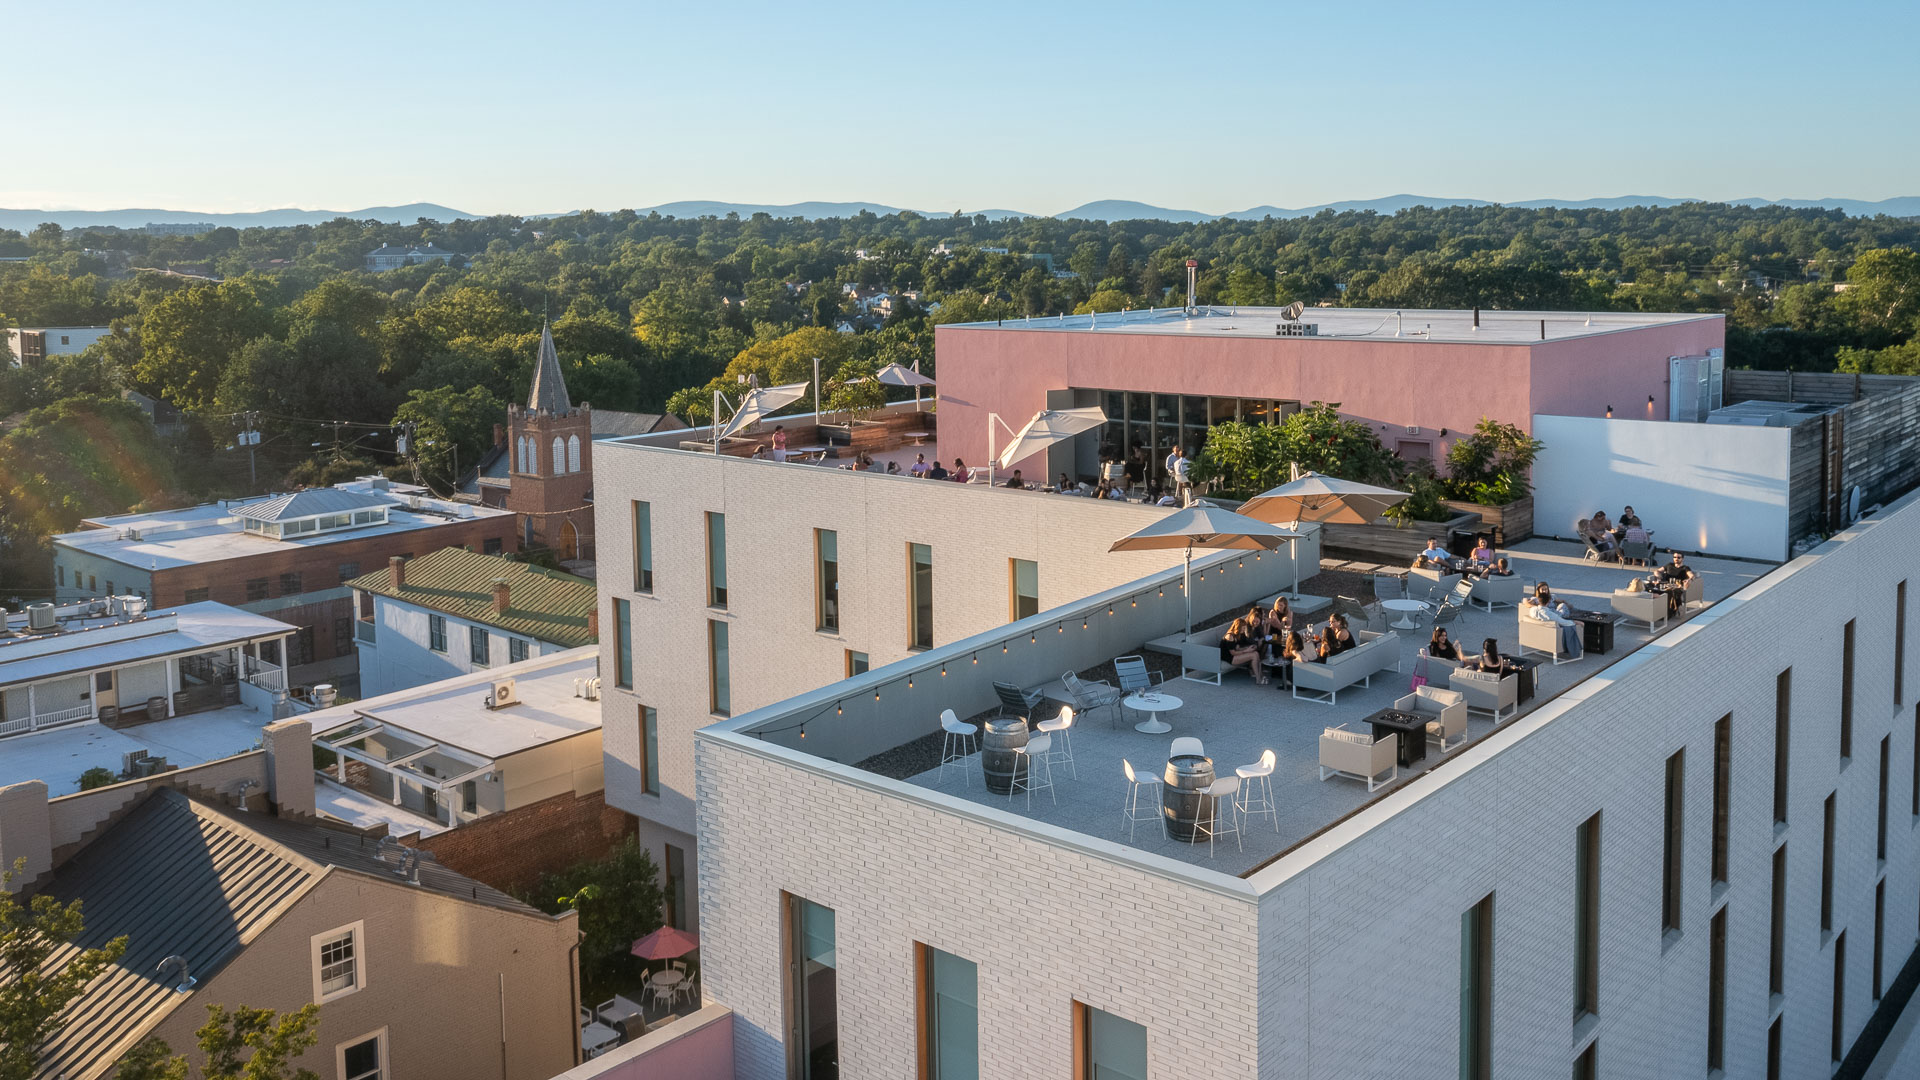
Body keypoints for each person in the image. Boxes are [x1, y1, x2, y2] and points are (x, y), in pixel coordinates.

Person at [1524, 583, 1584, 659]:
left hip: (1547, 619)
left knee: (1564, 606)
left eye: (1546, 589)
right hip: (1556, 617)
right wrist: (1576, 622)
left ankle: (1573, 610)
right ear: (1548, 602)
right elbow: (1564, 622)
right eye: (1543, 589)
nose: (1545, 590)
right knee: (1564, 608)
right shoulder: (1550, 615)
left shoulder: (1532, 610)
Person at [1220, 614, 1268, 684]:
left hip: (1234, 655)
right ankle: (1258, 679)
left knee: (1256, 653)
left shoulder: (1237, 634)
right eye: (1242, 628)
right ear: (1238, 627)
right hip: (1229, 658)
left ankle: (1260, 675)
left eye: (1244, 628)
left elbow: (1238, 648)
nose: (1244, 630)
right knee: (1253, 655)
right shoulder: (1230, 636)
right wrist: (1246, 651)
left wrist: (1248, 648)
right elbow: (1233, 653)